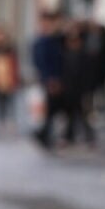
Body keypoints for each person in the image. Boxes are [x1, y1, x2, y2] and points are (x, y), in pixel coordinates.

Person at [32, 10, 65, 149]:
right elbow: (41, 62)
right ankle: (43, 134)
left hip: (57, 79)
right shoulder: (42, 41)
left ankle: (43, 134)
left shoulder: (56, 39)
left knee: (53, 110)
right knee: (50, 110)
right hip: (50, 80)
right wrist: (50, 79)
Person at [0, 25, 21, 134]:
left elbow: (15, 63)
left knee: (9, 101)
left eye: (1, 35)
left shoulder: (10, 48)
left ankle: (10, 121)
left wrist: (15, 78)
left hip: (8, 78)